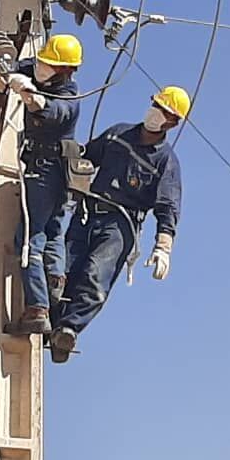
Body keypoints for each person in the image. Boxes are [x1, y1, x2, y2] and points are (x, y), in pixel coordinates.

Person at [49, 85, 189, 363]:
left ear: (172, 122)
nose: (156, 112)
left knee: (94, 275)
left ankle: (68, 329)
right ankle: (49, 322)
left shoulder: (166, 162)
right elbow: (87, 156)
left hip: (120, 224)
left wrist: (163, 246)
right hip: (88, 212)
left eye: (164, 111)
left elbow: (168, 206)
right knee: (61, 270)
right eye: (156, 105)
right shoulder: (118, 134)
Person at [0, 34, 83, 335]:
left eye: (48, 64)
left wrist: (28, 94)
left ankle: (37, 308)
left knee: (30, 237)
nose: (40, 66)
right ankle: (55, 280)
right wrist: (0, 75)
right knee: (54, 231)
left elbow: (46, 109)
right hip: (62, 172)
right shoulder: (37, 69)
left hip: (46, 172)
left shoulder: (69, 97)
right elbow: (16, 70)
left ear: (63, 71)